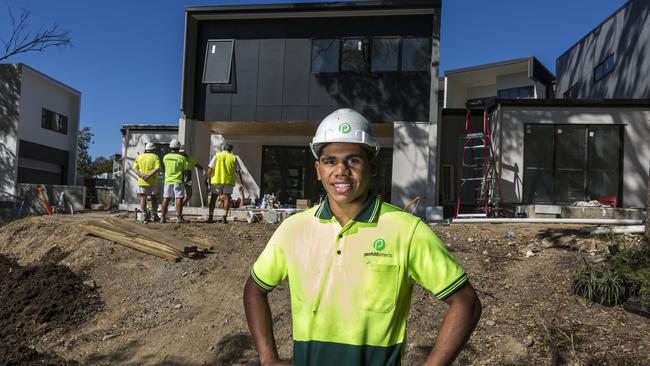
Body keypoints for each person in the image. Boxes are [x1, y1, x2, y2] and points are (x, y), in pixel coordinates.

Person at [243, 108, 482, 366]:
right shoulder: (293, 229)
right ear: (317, 169)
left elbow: (466, 303)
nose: (341, 171)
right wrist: (268, 359)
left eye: (353, 160)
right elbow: (254, 290)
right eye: (330, 161)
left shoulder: (406, 230)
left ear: (373, 165)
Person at [204, 143, 243, 223]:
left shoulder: (217, 155)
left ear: (223, 148)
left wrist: (207, 178)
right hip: (228, 181)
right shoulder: (233, 158)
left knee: (213, 198)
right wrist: (241, 183)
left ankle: (211, 217)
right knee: (227, 198)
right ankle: (224, 217)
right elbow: (238, 171)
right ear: (231, 150)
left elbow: (210, 168)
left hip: (216, 180)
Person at [160, 138, 190, 223]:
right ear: (178, 147)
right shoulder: (181, 158)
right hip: (177, 180)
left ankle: (163, 217)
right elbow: (186, 168)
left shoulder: (165, 157)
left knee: (166, 198)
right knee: (179, 198)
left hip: (168, 181)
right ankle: (179, 217)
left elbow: (164, 167)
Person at [132, 142, 160, 223]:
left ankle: (144, 216)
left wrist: (142, 175)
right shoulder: (155, 157)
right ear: (153, 150)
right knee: (154, 198)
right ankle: (155, 215)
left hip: (142, 181)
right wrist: (148, 175)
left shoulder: (139, 157)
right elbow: (157, 168)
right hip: (153, 181)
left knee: (143, 198)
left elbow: (135, 168)